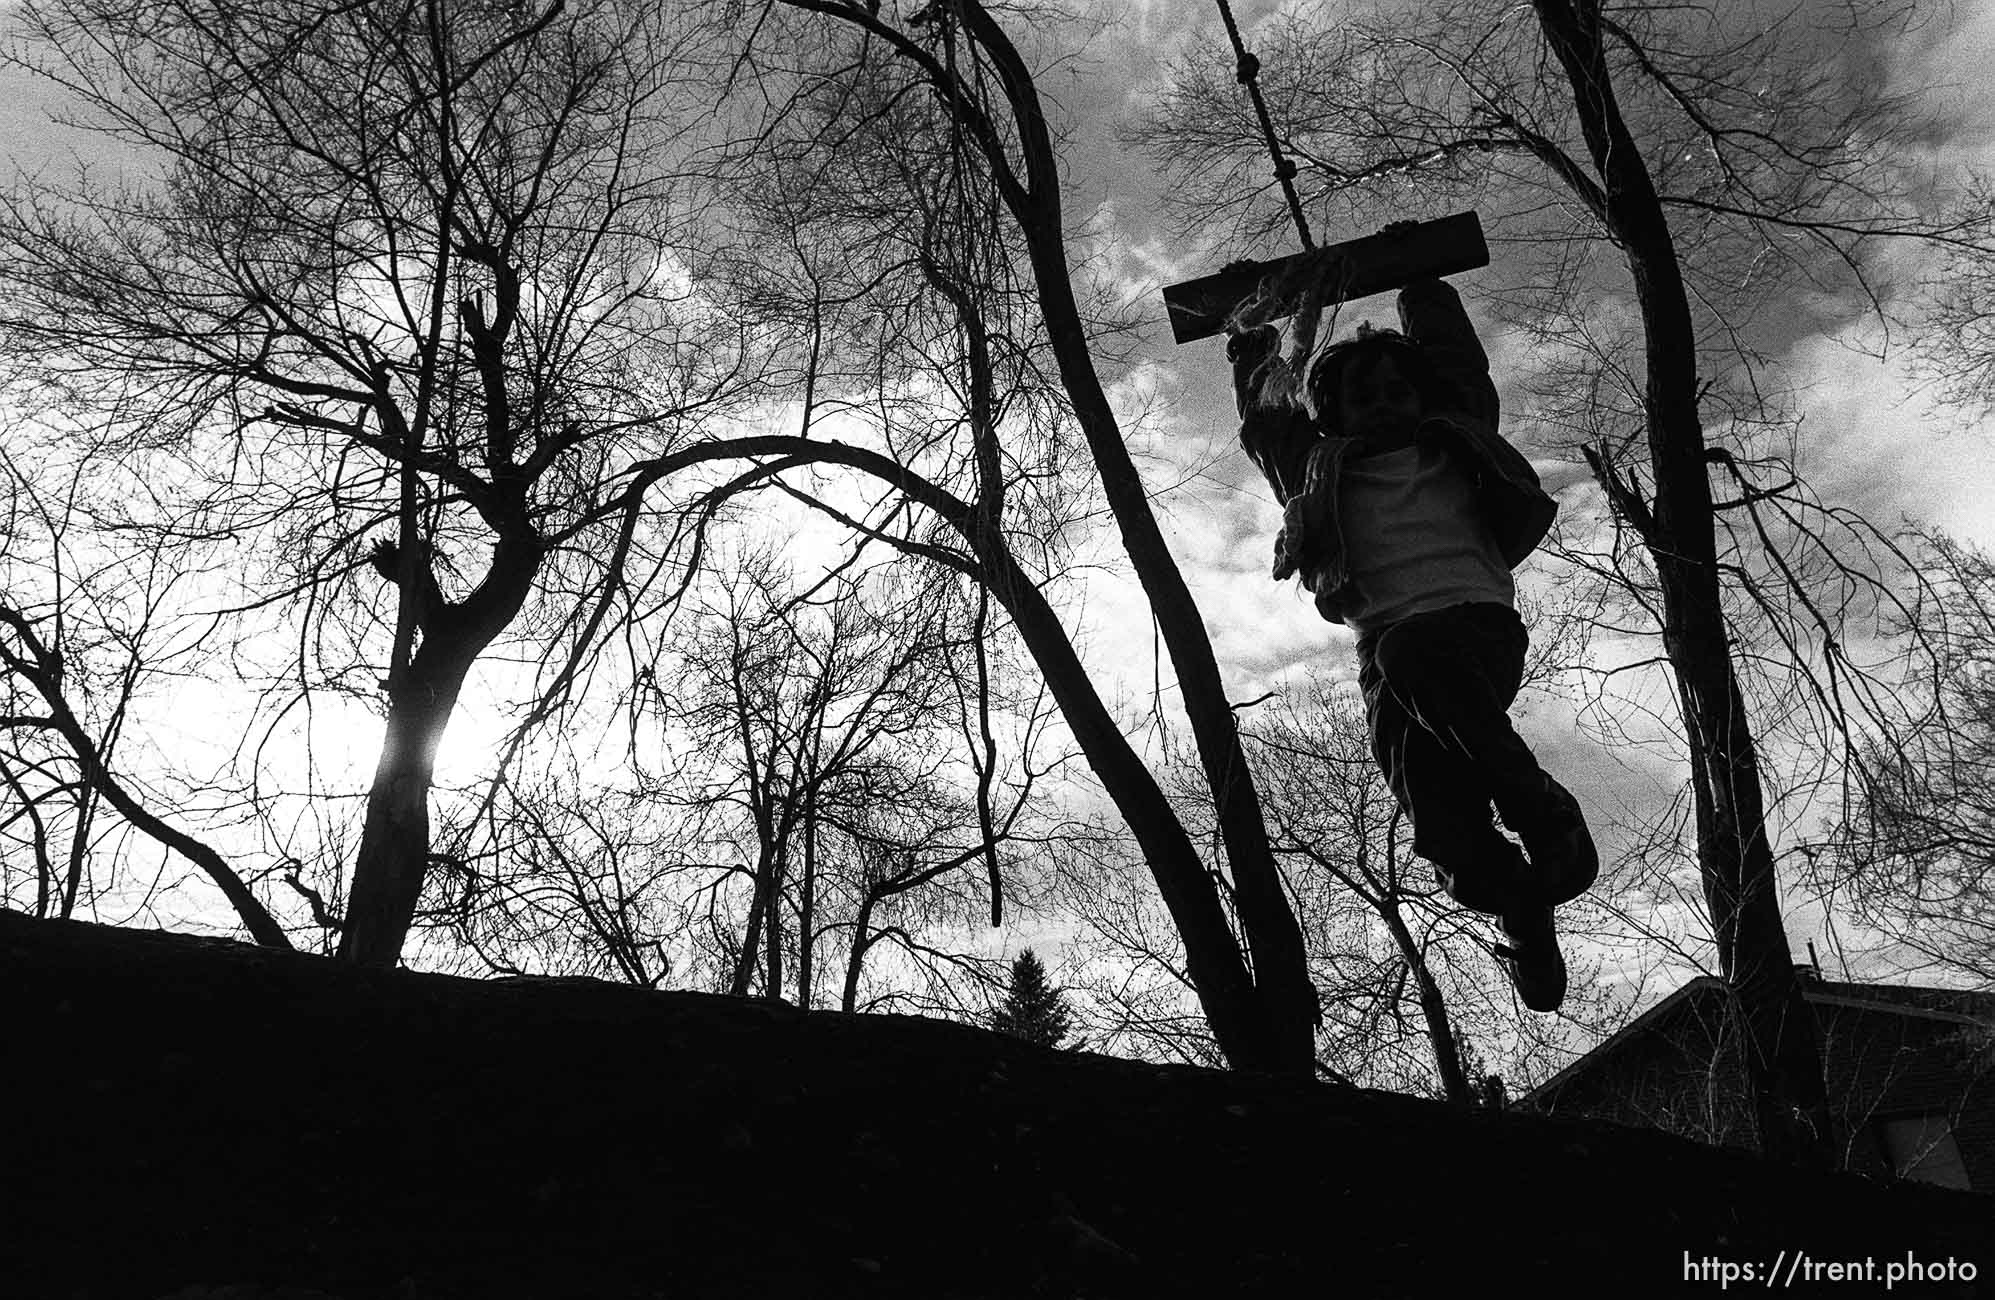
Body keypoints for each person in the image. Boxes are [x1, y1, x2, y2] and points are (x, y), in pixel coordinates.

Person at [1225, 250, 1597, 1013]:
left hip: (1473, 627)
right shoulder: (1317, 468)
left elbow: (1459, 367)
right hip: (1383, 657)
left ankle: (1539, 807)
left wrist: (1420, 283)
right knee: (1434, 818)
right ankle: (1522, 914)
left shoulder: (1452, 437)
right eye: (1364, 397)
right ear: (1332, 413)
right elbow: (1268, 421)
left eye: (1398, 389)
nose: (1384, 405)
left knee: (1415, 651)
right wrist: (1251, 341)